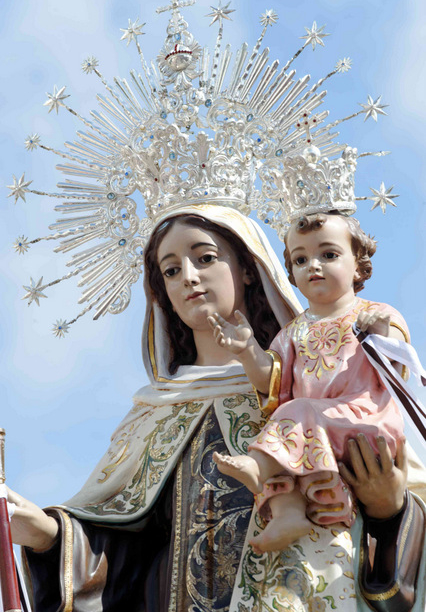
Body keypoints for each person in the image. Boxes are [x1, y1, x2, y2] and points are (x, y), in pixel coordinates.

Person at [5, 206, 426, 612]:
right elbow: (124, 545)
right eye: (171, 270)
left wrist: (389, 508)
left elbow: (405, 493)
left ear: (248, 267)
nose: (189, 277)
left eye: (205, 258)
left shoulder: (316, 389)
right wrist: (47, 535)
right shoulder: (154, 414)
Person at [211, 212, 420, 552]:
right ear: (291, 273)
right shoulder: (293, 331)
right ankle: (289, 515)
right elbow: (272, 382)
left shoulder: (372, 313)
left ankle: (256, 465)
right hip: (313, 429)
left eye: (329, 254)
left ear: (358, 265)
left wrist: (380, 332)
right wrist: (247, 350)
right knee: (286, 435)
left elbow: (397, 366)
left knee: (293, 419)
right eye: (301, 259)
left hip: (363, 422)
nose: (314, 266)